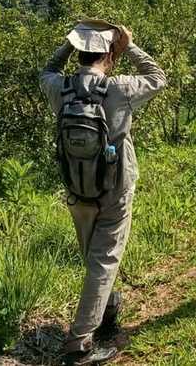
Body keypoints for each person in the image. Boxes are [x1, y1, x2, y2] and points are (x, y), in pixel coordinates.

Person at [40, 20, 167, 365]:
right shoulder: (120, 88)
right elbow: (158, 77)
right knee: (104, 259)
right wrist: (130, 47)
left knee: (94, 257)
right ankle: (79, 344)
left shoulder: (60, 88)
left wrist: (68, 41)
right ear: (109, 56)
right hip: (115, 186)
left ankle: (109, 310)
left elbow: (46, 70)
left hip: (77, 188)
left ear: (79, 53)